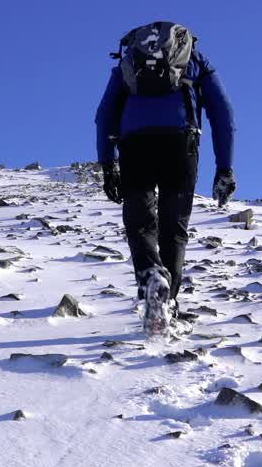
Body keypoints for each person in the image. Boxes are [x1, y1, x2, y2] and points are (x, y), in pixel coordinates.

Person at [94, 21, 236, 335]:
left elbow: (104, 114)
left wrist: (107, 164)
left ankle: (151, 275)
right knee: (174, 228)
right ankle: (167, 303)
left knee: (140, 222)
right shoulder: (195, 60)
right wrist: (224, 167)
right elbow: (222, 113)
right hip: (181, 145)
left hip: (135, 146)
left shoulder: (128, 63)